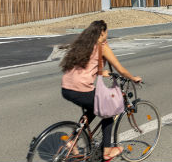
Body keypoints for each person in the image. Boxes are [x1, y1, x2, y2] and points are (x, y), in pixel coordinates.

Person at [60, 20, 142, 161]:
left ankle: (72, 141)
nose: (107, 35)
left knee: (93, 109)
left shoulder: (83, 44)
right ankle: (107, 152)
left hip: (66, 88)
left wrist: (101, 72)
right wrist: (133, 78)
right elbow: (120, 69)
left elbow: (85, 66)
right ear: (102, 33)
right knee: (108, 112)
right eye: (107, 32)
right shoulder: (102, 47)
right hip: (81, 89)